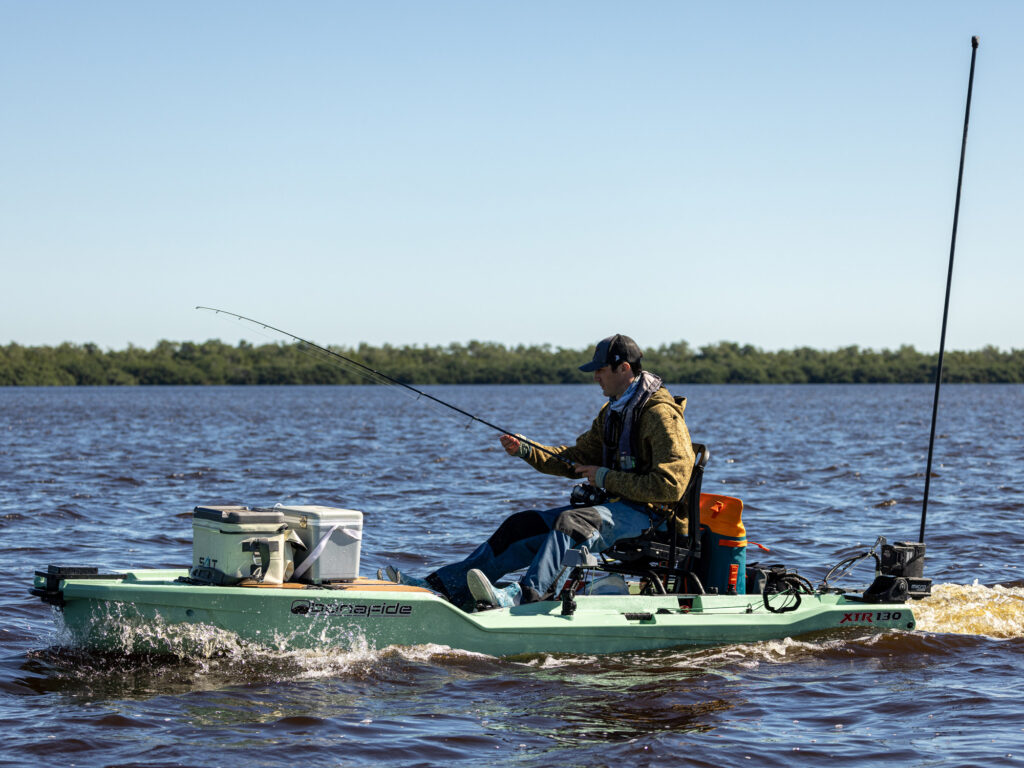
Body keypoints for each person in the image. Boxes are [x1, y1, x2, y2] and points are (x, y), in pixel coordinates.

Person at [385, 334, 695, 609]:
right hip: (612, 507)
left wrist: (604, 477)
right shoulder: (613, 412)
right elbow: (575, 458)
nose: (595, 377)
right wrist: (526, 449)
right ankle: (444, 587)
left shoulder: (660, 414)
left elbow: (671, 487)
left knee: (571, 524)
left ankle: (527, 597)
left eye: (601, 370)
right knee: (521, 524)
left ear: (624, 368)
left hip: (651, 516)